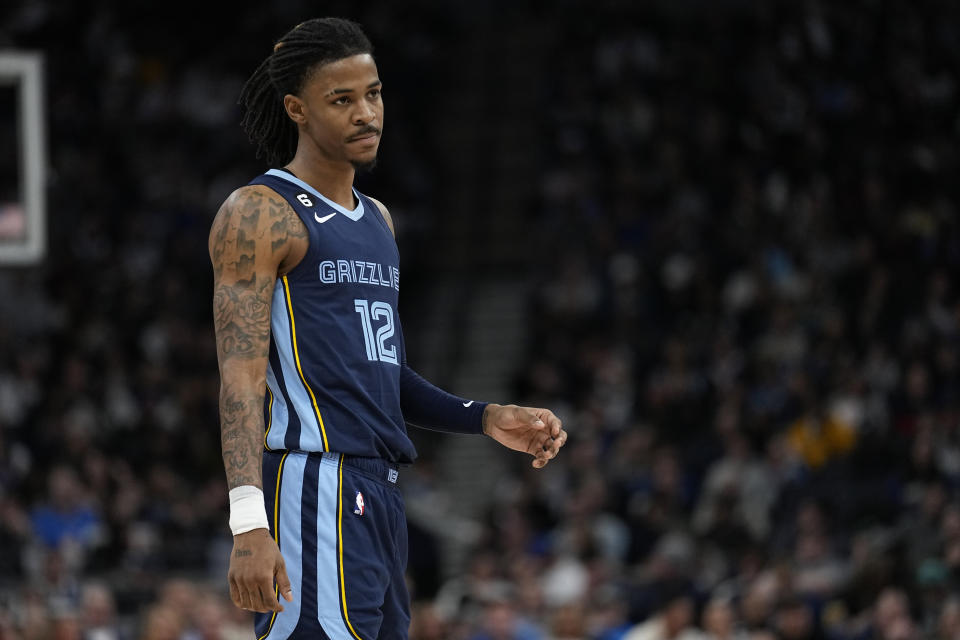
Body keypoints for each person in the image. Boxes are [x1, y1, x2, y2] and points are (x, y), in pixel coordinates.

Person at [208, 17, 567, 640]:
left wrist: (483, 416)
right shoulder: (261, 213)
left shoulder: (378, 221)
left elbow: (381, 374)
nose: (365, 113)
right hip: (313, 482)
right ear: (297, 108)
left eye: (372, 94)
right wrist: (248, 520)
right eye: (340, 100)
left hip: (381, 495)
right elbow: (240, 380)